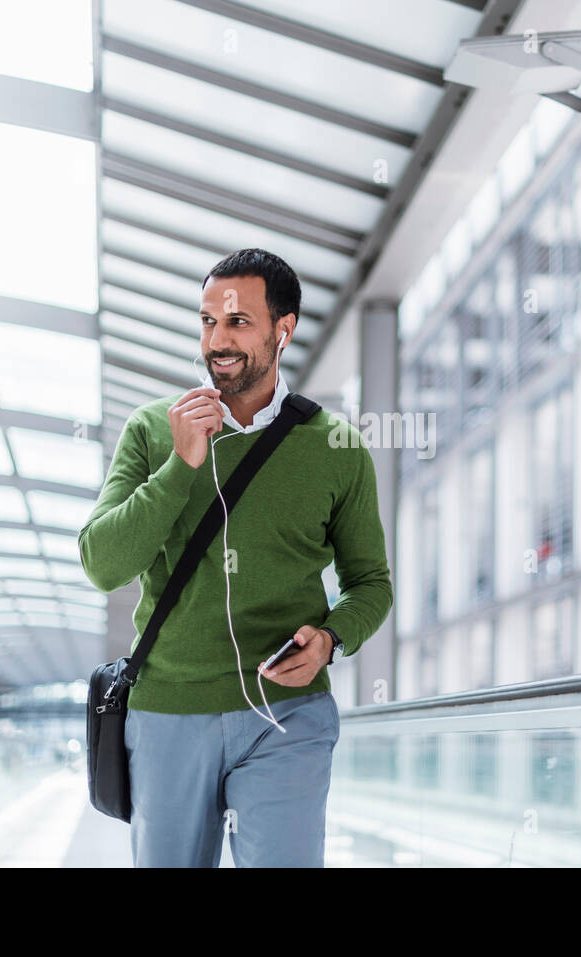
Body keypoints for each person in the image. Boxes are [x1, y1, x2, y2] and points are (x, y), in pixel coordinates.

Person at [78, 247, 393, 867]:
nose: (217, 341)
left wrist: (331, 640)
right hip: (169, 712)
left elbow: (371, 583)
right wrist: (179, 466)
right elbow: (102, 563)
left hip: (287, 716)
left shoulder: (336, 447)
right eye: (207, 322)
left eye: (238, 323)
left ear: (284, 329)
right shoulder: (152, 430)